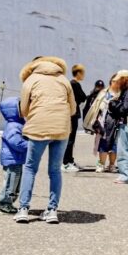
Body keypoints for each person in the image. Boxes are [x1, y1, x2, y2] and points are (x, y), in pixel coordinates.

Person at [15, 56, 77, 224]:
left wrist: (34, 116)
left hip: (38, 128)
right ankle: (51, 211)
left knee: (30, 168)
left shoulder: (31, 80)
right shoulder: (64, 80)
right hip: (61, 129)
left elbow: (23, 108)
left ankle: (23, 209)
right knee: (55, 170)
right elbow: (73, 108)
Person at [108, 72, 128, 184]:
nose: (117, 82)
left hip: (125, 123)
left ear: (124, 79)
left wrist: (113, 105)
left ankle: (125, 176)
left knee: (123, 151)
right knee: (126, 150)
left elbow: (124, 109)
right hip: (126, 123)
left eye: (118, 80)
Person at [0, 97, 27, 214]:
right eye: (21, 107)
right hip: (12, 160)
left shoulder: (18, 124)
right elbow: (16, 143)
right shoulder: (13, 126)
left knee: (16, 182)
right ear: (13, 110)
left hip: (16, 160)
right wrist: (29, 145)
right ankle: (5, 203)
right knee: (10, 182)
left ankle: (9, 202)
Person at [86, 75, 120, 173]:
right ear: (111, 81)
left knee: (114, 145)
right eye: (114, 81)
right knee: (103, 143)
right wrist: (95, 122)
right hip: (102, 122)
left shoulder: (120, 93)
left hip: (115, 123)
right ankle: (101, 164)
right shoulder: (103, 93)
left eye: (118, 81)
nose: (116, 83)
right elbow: (95, 107)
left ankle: (112, 165)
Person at [62, 64, 87, 172]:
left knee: (71, 139)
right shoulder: (75, 84)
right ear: (78, 73)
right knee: (70, 139)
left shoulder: (70, 83)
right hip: (72, 114)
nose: (84, 75)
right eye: (83, 73)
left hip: (71, 113)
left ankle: (70, 160)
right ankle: (66, 163)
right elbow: (83, 96)